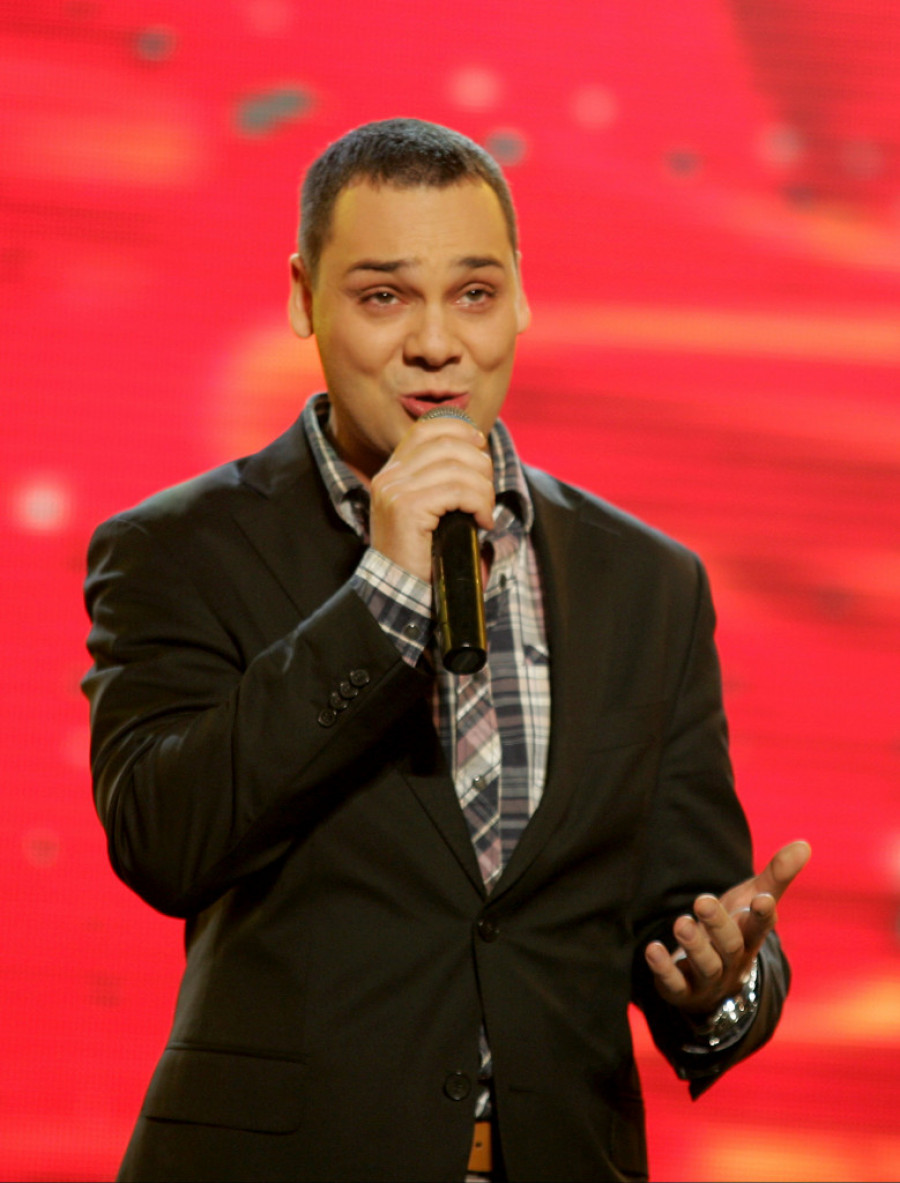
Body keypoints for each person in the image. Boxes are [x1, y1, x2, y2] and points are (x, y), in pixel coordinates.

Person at [82, 118, 810, 1183]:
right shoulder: (179, 547)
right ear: (304, 298)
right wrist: (384, 590)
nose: (437, 343)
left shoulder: (647, 581)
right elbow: (165, 838)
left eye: (473, 292)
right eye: (385, 296)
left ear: (520, 298)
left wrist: (719, 984)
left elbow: (685, 917)